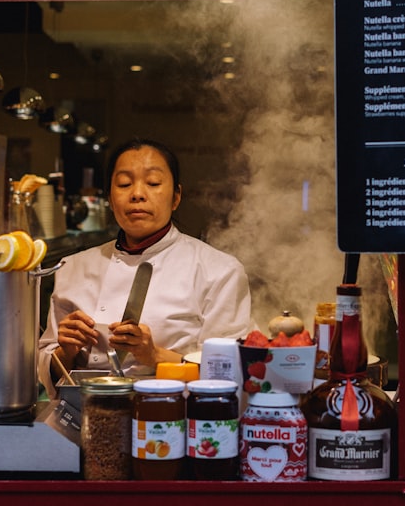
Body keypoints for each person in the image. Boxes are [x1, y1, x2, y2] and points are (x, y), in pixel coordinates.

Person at [37, 138, 252, 389]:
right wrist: (67, 351)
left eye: (153, 183)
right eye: (124, 184)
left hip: (173, 416)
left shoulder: (219, 271)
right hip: (83, 416)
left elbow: (229, 371)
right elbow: (44, 370)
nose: (137, 194)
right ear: (110, 197)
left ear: (176, 197)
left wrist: (155, 356)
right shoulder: (72, 267)